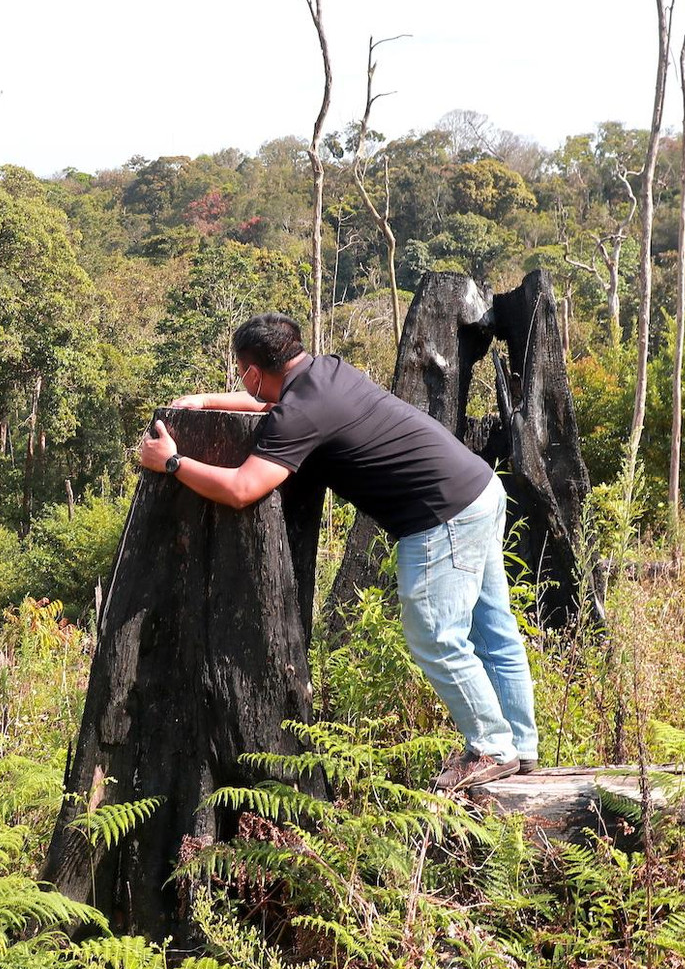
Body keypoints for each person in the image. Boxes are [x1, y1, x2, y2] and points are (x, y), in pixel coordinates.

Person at [139, 312, 537, 791]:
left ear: (252, 371)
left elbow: (243, 488)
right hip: (478, 487)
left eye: (242, 373)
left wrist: (174, 463)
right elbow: (270, 406)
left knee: (436, 634)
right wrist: (204, 400)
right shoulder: (326, 374)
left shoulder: (301, 410)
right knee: (493, 630)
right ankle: (520, 745)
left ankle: (492, 748)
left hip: (441, 516)